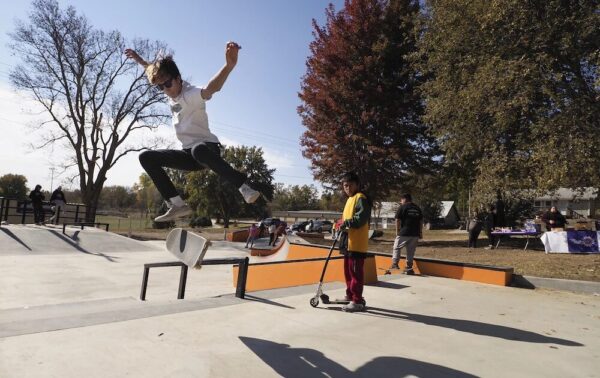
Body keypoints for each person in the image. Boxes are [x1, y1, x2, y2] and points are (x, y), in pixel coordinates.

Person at [125, 42, 272, 222]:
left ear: (178, 78)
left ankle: (243, 185)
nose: (165, 90)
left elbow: (211, 89)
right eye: (160, 87)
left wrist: (229, 66)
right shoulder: (170, 90)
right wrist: (138, 58)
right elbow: (151, 69)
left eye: (168, 84)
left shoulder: (191, 94)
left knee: (199, 150)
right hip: (190, 155)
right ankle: (177, 205)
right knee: (146, 157)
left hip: (208, 149)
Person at [338, 172, 371, 312]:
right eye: (345, 186)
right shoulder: (349, 200)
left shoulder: (360, 198)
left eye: (350, 185)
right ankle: (350, 295)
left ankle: (357, 300)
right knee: (348, 272)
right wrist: (340, 224)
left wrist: (346, 223)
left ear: (357, 184)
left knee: (356, 273)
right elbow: (346, 219)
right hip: (347, 243)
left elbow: (360, 219)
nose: (348, 188)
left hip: (356, 244)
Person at [390, 193, 423, 275]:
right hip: (415, 233)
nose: (401, 202)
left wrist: (397, 232)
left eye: (401, 200)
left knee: (396, 247)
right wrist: (420, 232)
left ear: (404, 199)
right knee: (411, 251)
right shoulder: (417, 208)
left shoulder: (403, 207)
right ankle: (409, 267)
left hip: (404, 232)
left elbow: (397, 219)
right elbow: (421, 221)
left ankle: (395, 264)